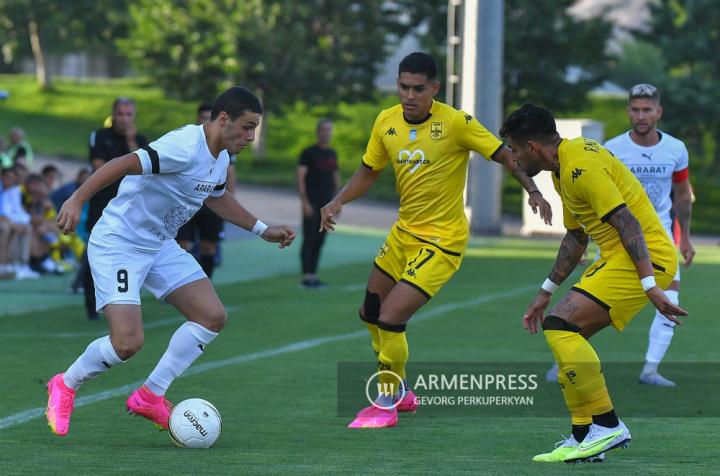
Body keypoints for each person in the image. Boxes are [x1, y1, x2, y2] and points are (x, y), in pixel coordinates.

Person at [45, 86, 295, 437]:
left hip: (158, 245)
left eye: (255, 128)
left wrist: (262, 229)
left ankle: (150, 396)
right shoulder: (184, 146)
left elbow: (218, 198)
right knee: (127, 344)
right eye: (247, 126)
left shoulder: (220, 157)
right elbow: (123, 163)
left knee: (211, 316)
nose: (251, 137)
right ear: (223, 119)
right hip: (119, 242)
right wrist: (76, 199)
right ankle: (65, 383)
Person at [320, 52, 552, 429]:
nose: (409, 95)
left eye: (418, 88)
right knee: (369, 315)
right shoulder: (386, 121)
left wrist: (533, 191)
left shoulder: (455, 123)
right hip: (402, 235)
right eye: (403, 87)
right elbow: (368, 170)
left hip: (442, 242)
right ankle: (402, 391)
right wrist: (338, 200)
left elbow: (506, 156)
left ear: (434, 89)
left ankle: (385, 399)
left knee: (392, 319)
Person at [501, 104, 686, 463]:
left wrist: (650, 286)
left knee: (560, 328)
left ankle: (607, 425)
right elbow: (576, 238)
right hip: (619, 257)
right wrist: (545, 292)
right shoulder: (563, 168)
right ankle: (584, 436)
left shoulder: (581, 169)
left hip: (644, 257)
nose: (514, 158)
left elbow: (628, 224)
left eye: (516, 149)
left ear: (533, 147)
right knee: (566, 334)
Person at [604, 83, 694, 386]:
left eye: (647, 109)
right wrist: (590, 241)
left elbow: (682, 196)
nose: (641, 115)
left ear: (659, 112)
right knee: (598, 302)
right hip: (618, 238)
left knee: (670, 299)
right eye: (635, 109)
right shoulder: (612, 149)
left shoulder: (676, 149)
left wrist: (687, 239)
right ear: (629, 111)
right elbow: (597, 197)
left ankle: (650, 370)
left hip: (660, 239)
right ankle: (565, 361)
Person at [83, 98, 150, 319]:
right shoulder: (100, 136)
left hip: (131, 210)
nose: (124, 119)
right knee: (93, 254)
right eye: (120, 114)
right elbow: (98, 169)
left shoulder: (140, 141)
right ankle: (91, 305)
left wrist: (131, 141)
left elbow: (146, 173)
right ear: (113, 115)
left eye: (128, 115)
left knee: (130, 255)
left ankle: (124, 303)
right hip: (103, 205)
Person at [176, 102, 236, 279]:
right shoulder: (188, 143)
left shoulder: (224, 148)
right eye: (203, 117)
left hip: (211, 203)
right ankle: (177, 286)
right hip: (187, 201)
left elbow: (229, 173)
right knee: (183, 244)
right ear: (197, 119)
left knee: (208, 246)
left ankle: (206, 284)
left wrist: (230, 202)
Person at [297, 118, 340, 288]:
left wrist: (338, 201)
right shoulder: (308, 153)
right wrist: (305, 202)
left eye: (329, 130)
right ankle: (307, 276)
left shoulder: (332, 153)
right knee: (310, 237)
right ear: (318, 131)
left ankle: (314, 274)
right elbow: (300, 177)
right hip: (312, 202)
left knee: (321, 238)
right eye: (323, 129)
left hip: (327, 204)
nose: (326, 133)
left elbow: (336, 177)